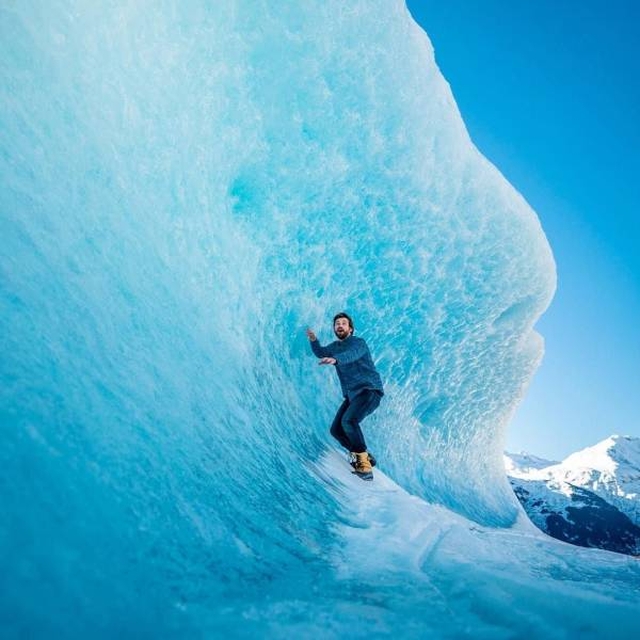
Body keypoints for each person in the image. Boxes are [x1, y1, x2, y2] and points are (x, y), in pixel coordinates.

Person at [306, 312, 384, 480]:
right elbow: (321, 352)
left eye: (343, 323)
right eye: (337, 324)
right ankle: (364, 456)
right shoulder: (335, 347)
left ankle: (364, 465)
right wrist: (314, 341)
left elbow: (351, 355)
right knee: (336, 430)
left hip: (369, 390)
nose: (339, 326)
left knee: (349, 421)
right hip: (352, 395)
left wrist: (336, 360)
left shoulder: (359, 343)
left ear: (350, 328)